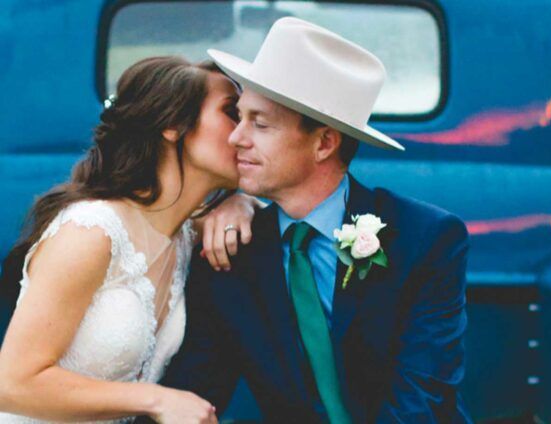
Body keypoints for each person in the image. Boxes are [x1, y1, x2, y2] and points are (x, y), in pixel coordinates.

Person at [161, 17, 472, 423]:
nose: (236, 137)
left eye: (261, 123)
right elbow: (197, 392)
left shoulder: (424, 238)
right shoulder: (233, 252)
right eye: (239, 117)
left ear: (324, 142)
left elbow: (422, 400)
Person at [0, 56, 260, 423]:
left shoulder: (182, 231)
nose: (243, 135)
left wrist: (242, 202)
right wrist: (154, 400)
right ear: (172, 125)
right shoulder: (92, 231)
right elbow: (12, 384)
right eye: (231, 113)